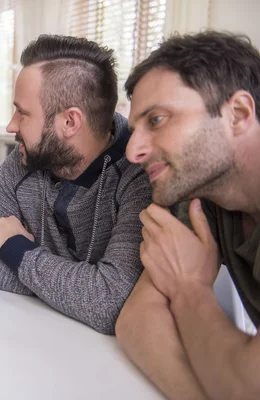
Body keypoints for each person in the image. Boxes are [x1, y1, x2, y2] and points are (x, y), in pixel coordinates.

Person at [0, 34, 152, 335]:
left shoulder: (138, 176)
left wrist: (16, 248)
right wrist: (71, 288)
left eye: (22, 113)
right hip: (33, 344)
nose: (11, 126)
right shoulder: (26, 161)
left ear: (70, 122)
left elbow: (110, 302)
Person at [116, 31, 260, 400]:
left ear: (238, 114)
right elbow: (137, 320)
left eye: (158, 119)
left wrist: (189, 290)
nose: (133, 151)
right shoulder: (203, 192)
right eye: (134, 130)